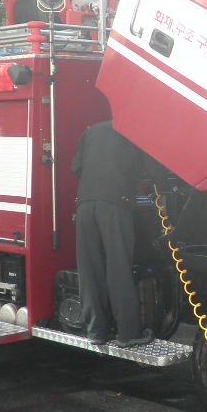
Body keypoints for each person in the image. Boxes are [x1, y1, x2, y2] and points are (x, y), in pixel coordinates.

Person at [71, 120, 153, 348]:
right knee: (119, 267)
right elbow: (154, 171)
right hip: (115, 205)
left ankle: (96, 331)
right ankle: (128, 333)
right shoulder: (136, 131)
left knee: (89, 269)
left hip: (85, 204)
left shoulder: (92, 131)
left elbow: (76, 167)